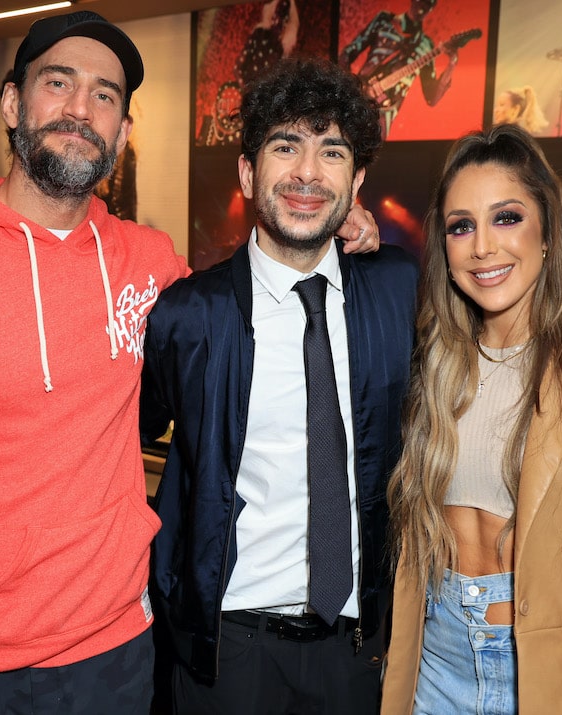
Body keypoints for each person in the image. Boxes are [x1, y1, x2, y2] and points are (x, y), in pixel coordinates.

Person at [0, 11, 381, 714]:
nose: (81, 109)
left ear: (121, 130)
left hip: (120, 644)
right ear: (11, 103)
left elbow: (245, 296)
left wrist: (333, 221)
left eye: (106, 96)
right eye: (59, 83)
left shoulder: (149, 265)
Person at [142, 57, 418, 714]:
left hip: (354, 650)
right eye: (285, 145)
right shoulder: (188, 315)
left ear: (357, 181)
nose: (306, 172)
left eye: (331, 152)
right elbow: (120, 440)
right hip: (227, 648)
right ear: (247, 171)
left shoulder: (397, 289)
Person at [381, 124, 562, 713]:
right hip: (434, 662)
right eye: (461, 225)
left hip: (547, 675)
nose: (483, 247)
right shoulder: (431, 365)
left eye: (507, 217)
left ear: (548, 232)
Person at [341, 0, 465, 138]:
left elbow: (432, 97)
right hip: (358, 100)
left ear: (432, 8)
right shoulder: (384, 20)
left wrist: (452, 62)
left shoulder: (426, 45)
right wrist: (351, 89)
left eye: (427, 4)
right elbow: (348, 53)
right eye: (420, 1)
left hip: (383, 117)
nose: (421, 8)